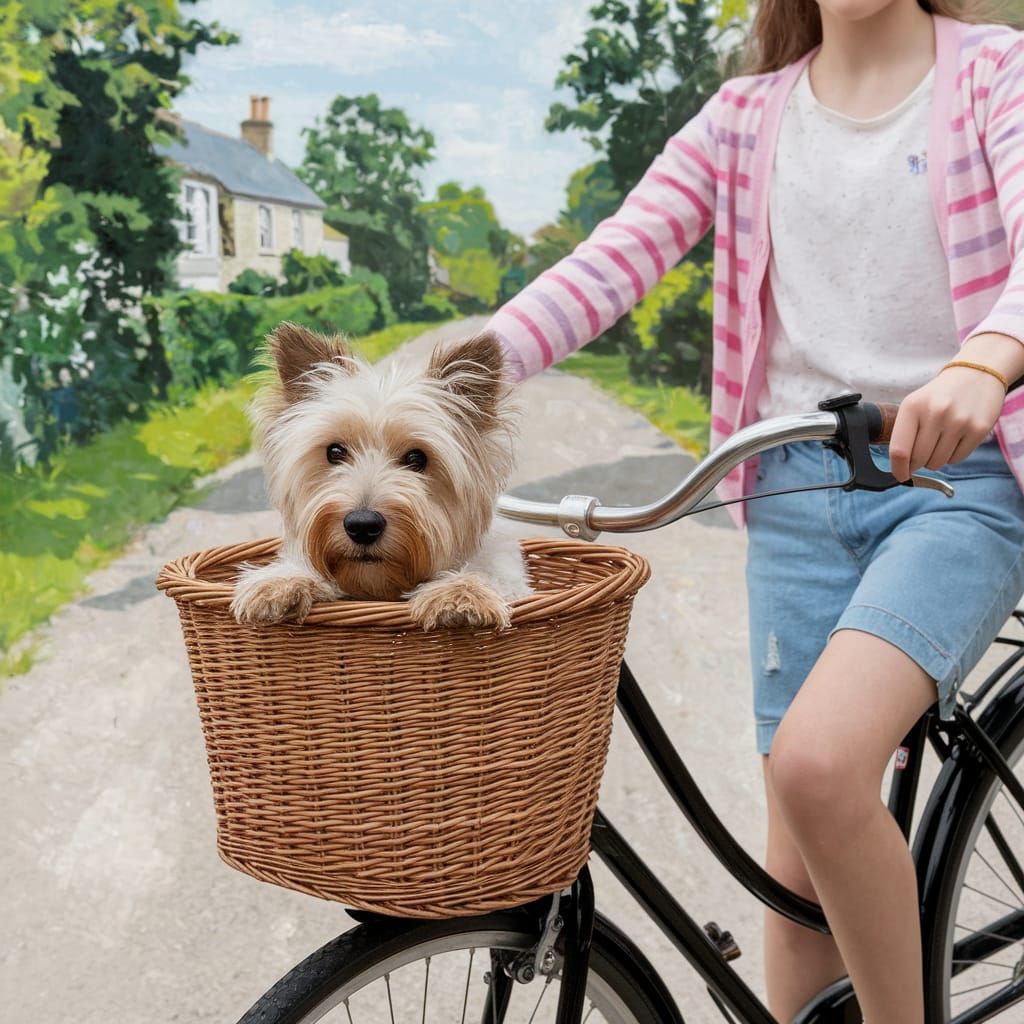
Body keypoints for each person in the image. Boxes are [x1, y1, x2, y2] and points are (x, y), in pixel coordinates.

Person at [483, 1, 1024, 1020]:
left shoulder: (996, 75)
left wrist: (986, 361)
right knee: (795, 855)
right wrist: (449, 380)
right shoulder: (744, 116)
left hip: (955, 489)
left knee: (820, 769)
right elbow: (614, 259)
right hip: (794, 494)